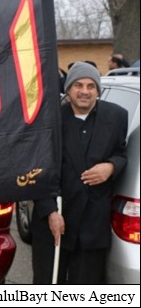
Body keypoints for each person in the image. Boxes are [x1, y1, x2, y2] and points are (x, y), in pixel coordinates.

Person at [31, 62, 128, 284]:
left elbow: (122, 152)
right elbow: (37, 170)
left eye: (91, 86)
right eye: (78, 85)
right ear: (69, 89)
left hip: (92, 224)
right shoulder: (50, 120)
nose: (84, 91)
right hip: (55, 220)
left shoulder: (116, 117)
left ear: (98, 90)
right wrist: (50, 212)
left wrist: (111, 166)